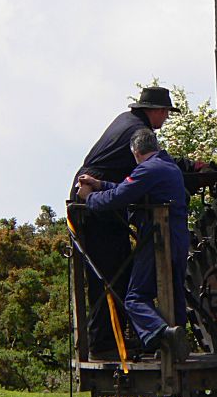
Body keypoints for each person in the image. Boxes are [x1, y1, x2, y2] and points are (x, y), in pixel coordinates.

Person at [70, 86, 180, 358]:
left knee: (121, 271)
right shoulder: (137, 132)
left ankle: (123, 338)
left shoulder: (127, 121)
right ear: (155, 111)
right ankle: (107, 343)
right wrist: (91, 197)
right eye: (165, 113)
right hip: (96, 202)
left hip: (100, 195)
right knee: (110, 274)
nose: (165, 119)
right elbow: (146, 175)